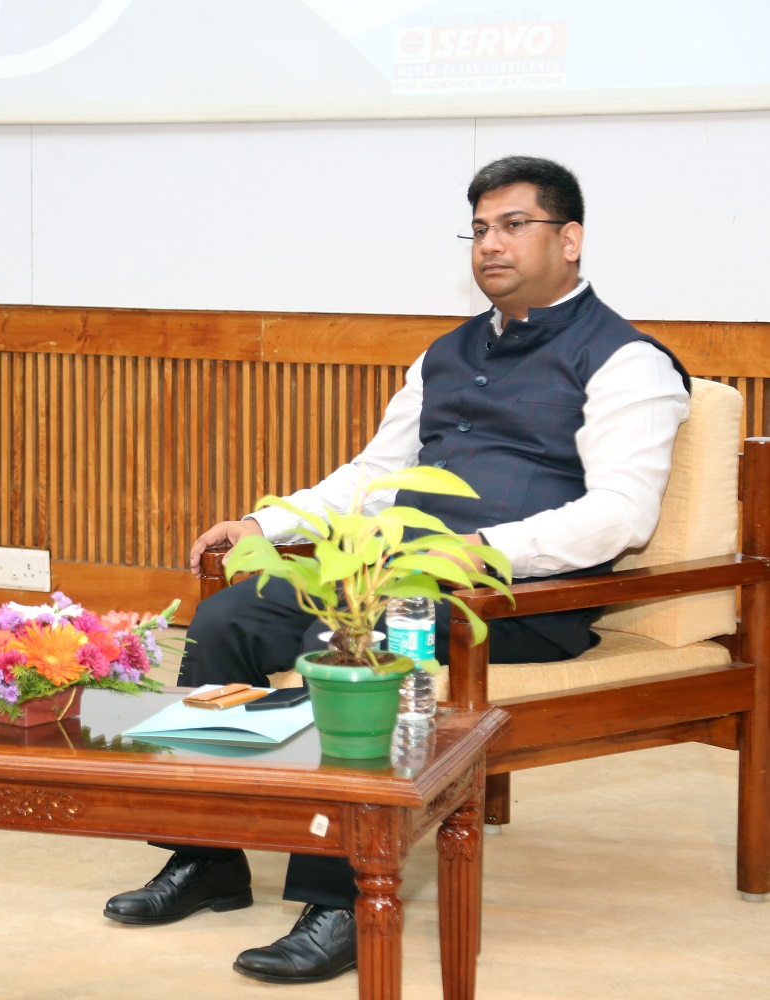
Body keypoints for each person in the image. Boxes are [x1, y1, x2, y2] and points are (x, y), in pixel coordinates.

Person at [102, 156, 691, 984]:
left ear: (570, 239)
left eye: (512, 225)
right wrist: (267, 523)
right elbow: (370, 481)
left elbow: (622, 515)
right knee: (230, 617)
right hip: (395, 579)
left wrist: (488, 552)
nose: (491, 244)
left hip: (516, 603)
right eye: (480, 228)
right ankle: (206, 857)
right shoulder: (444, 354)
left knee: (350, 649)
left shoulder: (626, 361)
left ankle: (339, 900)